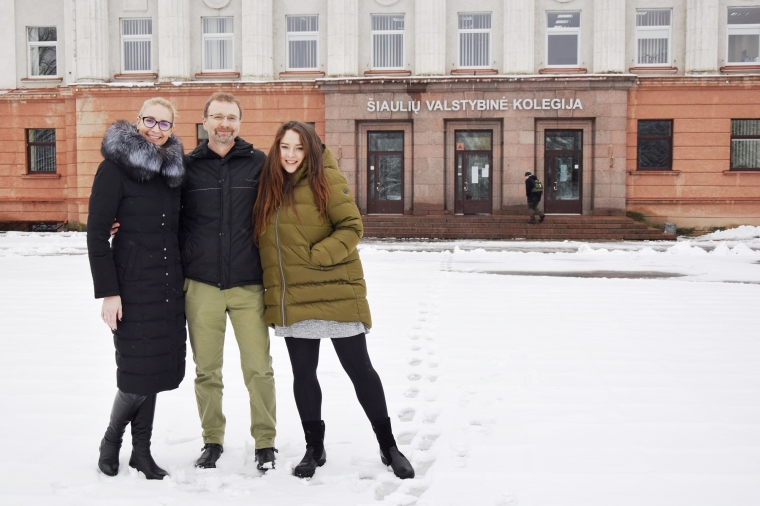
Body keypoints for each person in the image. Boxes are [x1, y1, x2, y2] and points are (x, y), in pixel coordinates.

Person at [253, 121, 415, 480]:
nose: (291, 155)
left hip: (335, 288)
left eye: (299, 147)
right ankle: (314, 447)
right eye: (285, 147)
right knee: (303, 374)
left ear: (311, 149)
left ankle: (389, 446)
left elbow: (352, 226)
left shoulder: (325, 178)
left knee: (360, 370)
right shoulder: (270, 185)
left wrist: (318, 257)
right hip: (294, 296)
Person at [87, 97, 187, 480]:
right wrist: (109, 292)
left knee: (155, 370)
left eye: (164, 123)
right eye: (150, 120)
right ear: (138, 120)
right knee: (136, 374)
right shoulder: (114, 168)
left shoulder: (172, 174)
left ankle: (141, 452)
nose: (155, 129)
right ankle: (111, 440)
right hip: (130, 287)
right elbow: (97, 234)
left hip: (166, 285)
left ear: (172, 128)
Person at [180, 92, 277, 470]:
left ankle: (265, 442)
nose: (224, 124)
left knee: (259, 369)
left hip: (247, 284)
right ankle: (212, 440)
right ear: (204, 121)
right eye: (218, 117)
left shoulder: (259, 163)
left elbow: (282, 208)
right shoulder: (186, 166)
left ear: (239, 122)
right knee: (207, 370)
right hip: (201, 284)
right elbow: (163, 214)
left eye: (231, 117)